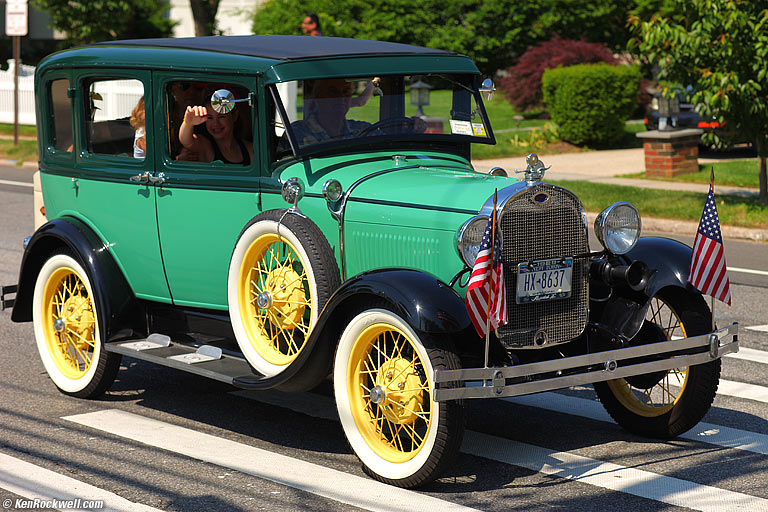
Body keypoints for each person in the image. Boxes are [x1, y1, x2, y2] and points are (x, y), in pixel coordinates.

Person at [179, 93, 254, 165]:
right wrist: (188, 123)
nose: (215, 123)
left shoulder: (249, 149)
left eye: (221, 117)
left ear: (234, 116)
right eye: (210, 117)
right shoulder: (206, 147)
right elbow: (186, 141)